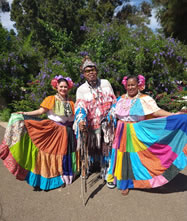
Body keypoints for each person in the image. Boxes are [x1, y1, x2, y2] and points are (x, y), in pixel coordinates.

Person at [106, 75, 187, 195]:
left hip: (136, 132)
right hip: (121, 131)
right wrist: (109, 118)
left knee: (135, 158)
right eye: (128, 85)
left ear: (139, 85)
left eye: (133, 85)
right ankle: (124, 183)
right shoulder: (120, 99)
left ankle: (138, 181)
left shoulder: (145, 99)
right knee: (123, 157)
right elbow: (113, 113)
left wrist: (173, 115)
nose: (130, 87)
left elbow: (156, 112)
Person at [0, 75, 79, 191]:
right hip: (54, 132)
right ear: (56, 87)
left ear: (69, 88)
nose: (63, 89)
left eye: (65, 87)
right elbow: (40, 111)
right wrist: (24, 112)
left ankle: (67, 175)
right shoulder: (50, 99)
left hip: (68, 132)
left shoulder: (71, 102)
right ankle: (55, 177)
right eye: (61, 87)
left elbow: (75, 116)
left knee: (66, 154)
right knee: (54, 153)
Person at [73, 56, 116, 179]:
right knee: (88, 147)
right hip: (91, 124)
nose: (91, 72)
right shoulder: (81, 89)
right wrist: (81, 120)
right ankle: (86, 167)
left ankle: (106, 169)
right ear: (84, 74)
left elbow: (113, 101)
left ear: (96, 71)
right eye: (87, 71)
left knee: (106, 147)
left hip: (106, 123)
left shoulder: (106, 83)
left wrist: (111, 115)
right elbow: (80, 106)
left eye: (93, 70)